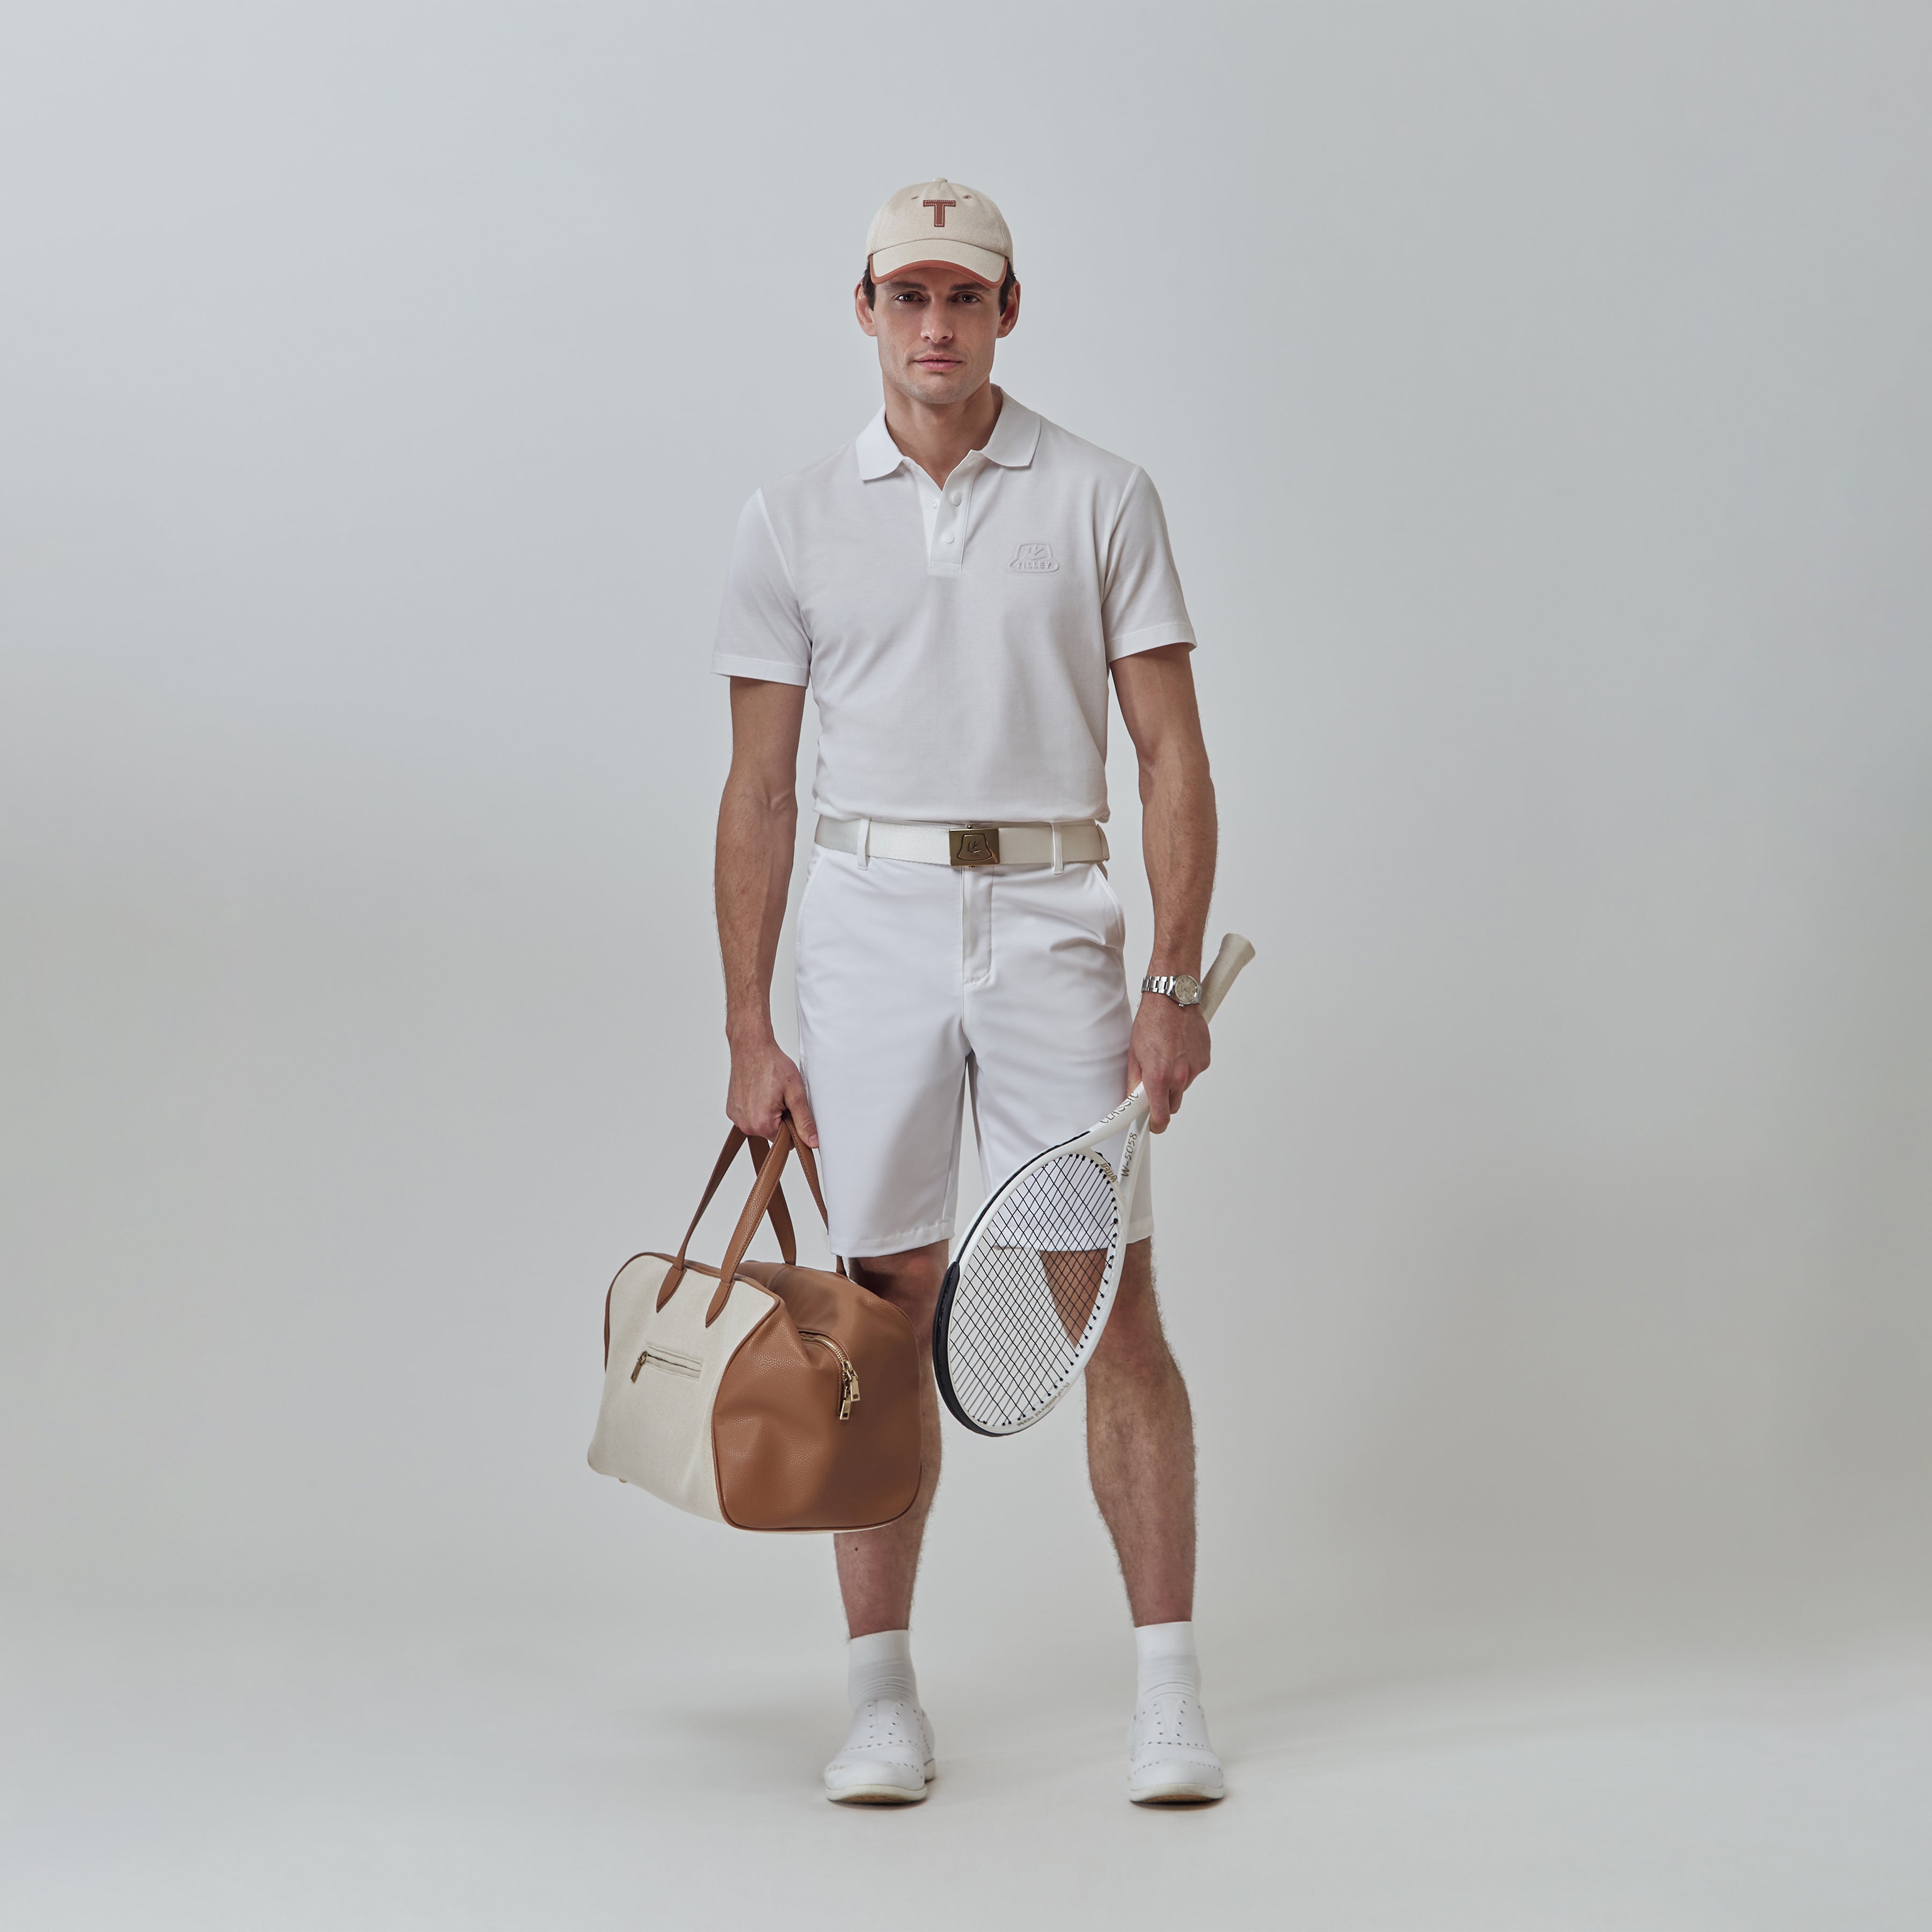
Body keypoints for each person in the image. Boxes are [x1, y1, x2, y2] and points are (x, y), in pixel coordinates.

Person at [711, 178, 1224, 1806]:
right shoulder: (792, 516)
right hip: (868, 924)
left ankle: (1168, 1693)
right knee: (881, 1302)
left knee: (1109, 1297)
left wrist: (1172, 979)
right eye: (909, 295)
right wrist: (749, 1027)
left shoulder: (1103, 495)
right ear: (865, 308)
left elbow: (1170, 755)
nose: (936, 326)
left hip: (1055, 915)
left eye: (965, 296)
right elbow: (760, 790)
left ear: (1010, 311)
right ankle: (881, 1699)